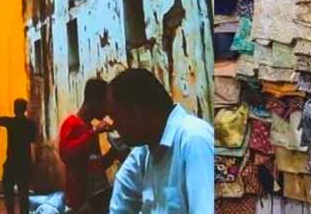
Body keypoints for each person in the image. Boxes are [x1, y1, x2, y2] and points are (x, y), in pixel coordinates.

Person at [106, 69, 214, 214]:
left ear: (137, 112)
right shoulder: (143, 153)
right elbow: (121, 203)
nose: (113, 125)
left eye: (116, 116)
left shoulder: (194, 140)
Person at [58, 78, 118, 213]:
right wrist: (93, 133)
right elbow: (66, 154)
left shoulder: (90, 128)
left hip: (95, 199)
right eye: (105, 103)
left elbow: (93, 166)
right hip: (79, 201)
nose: (107, 110)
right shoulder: (72, 123)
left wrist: (113, 153)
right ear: (95, 101)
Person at [0, 93, 38, 214]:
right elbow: (33, 143)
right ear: (25, 109)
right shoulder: (31, 125)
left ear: (14, 109)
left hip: (11, 162)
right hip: (24, 163)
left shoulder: (10, 122)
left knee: (8, 193)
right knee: (23, 194)